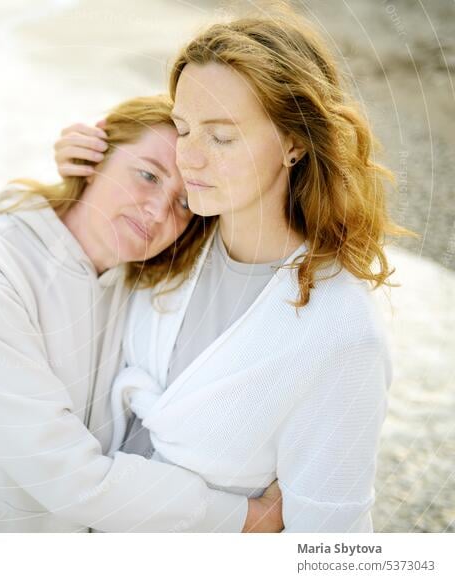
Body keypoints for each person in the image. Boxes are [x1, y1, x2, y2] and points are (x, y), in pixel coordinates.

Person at [55, 11, 410, 532]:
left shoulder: (340, 334)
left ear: (295, 141)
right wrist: (78, 185)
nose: (189, 160)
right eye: (182, 128)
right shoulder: (176, 241)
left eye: (221, 137)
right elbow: (64, 292)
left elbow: (333, 546)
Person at [0, 95, 283, 533]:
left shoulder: (136, 284)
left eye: (182, 203)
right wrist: (246, 520)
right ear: (94, 156)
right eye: (147, 175)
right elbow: (67, 475)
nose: (158, 212)